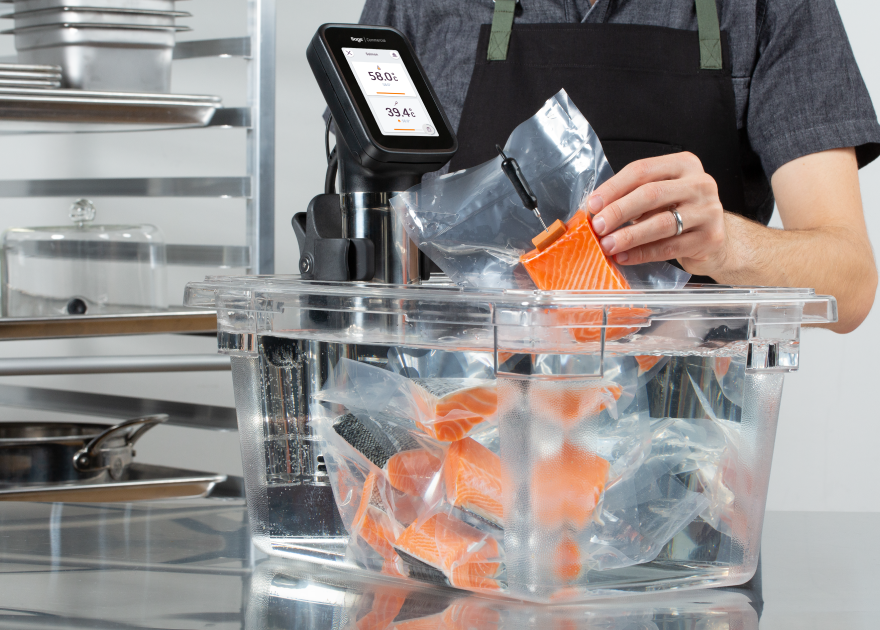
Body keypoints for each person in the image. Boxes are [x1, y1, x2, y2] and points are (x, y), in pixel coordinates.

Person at [357, 0, 880, 333]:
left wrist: (725, 246)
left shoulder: (768, 8)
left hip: (684, 463)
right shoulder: (419, 7)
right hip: (460, 455)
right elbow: (365, 271)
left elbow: (850, 284)